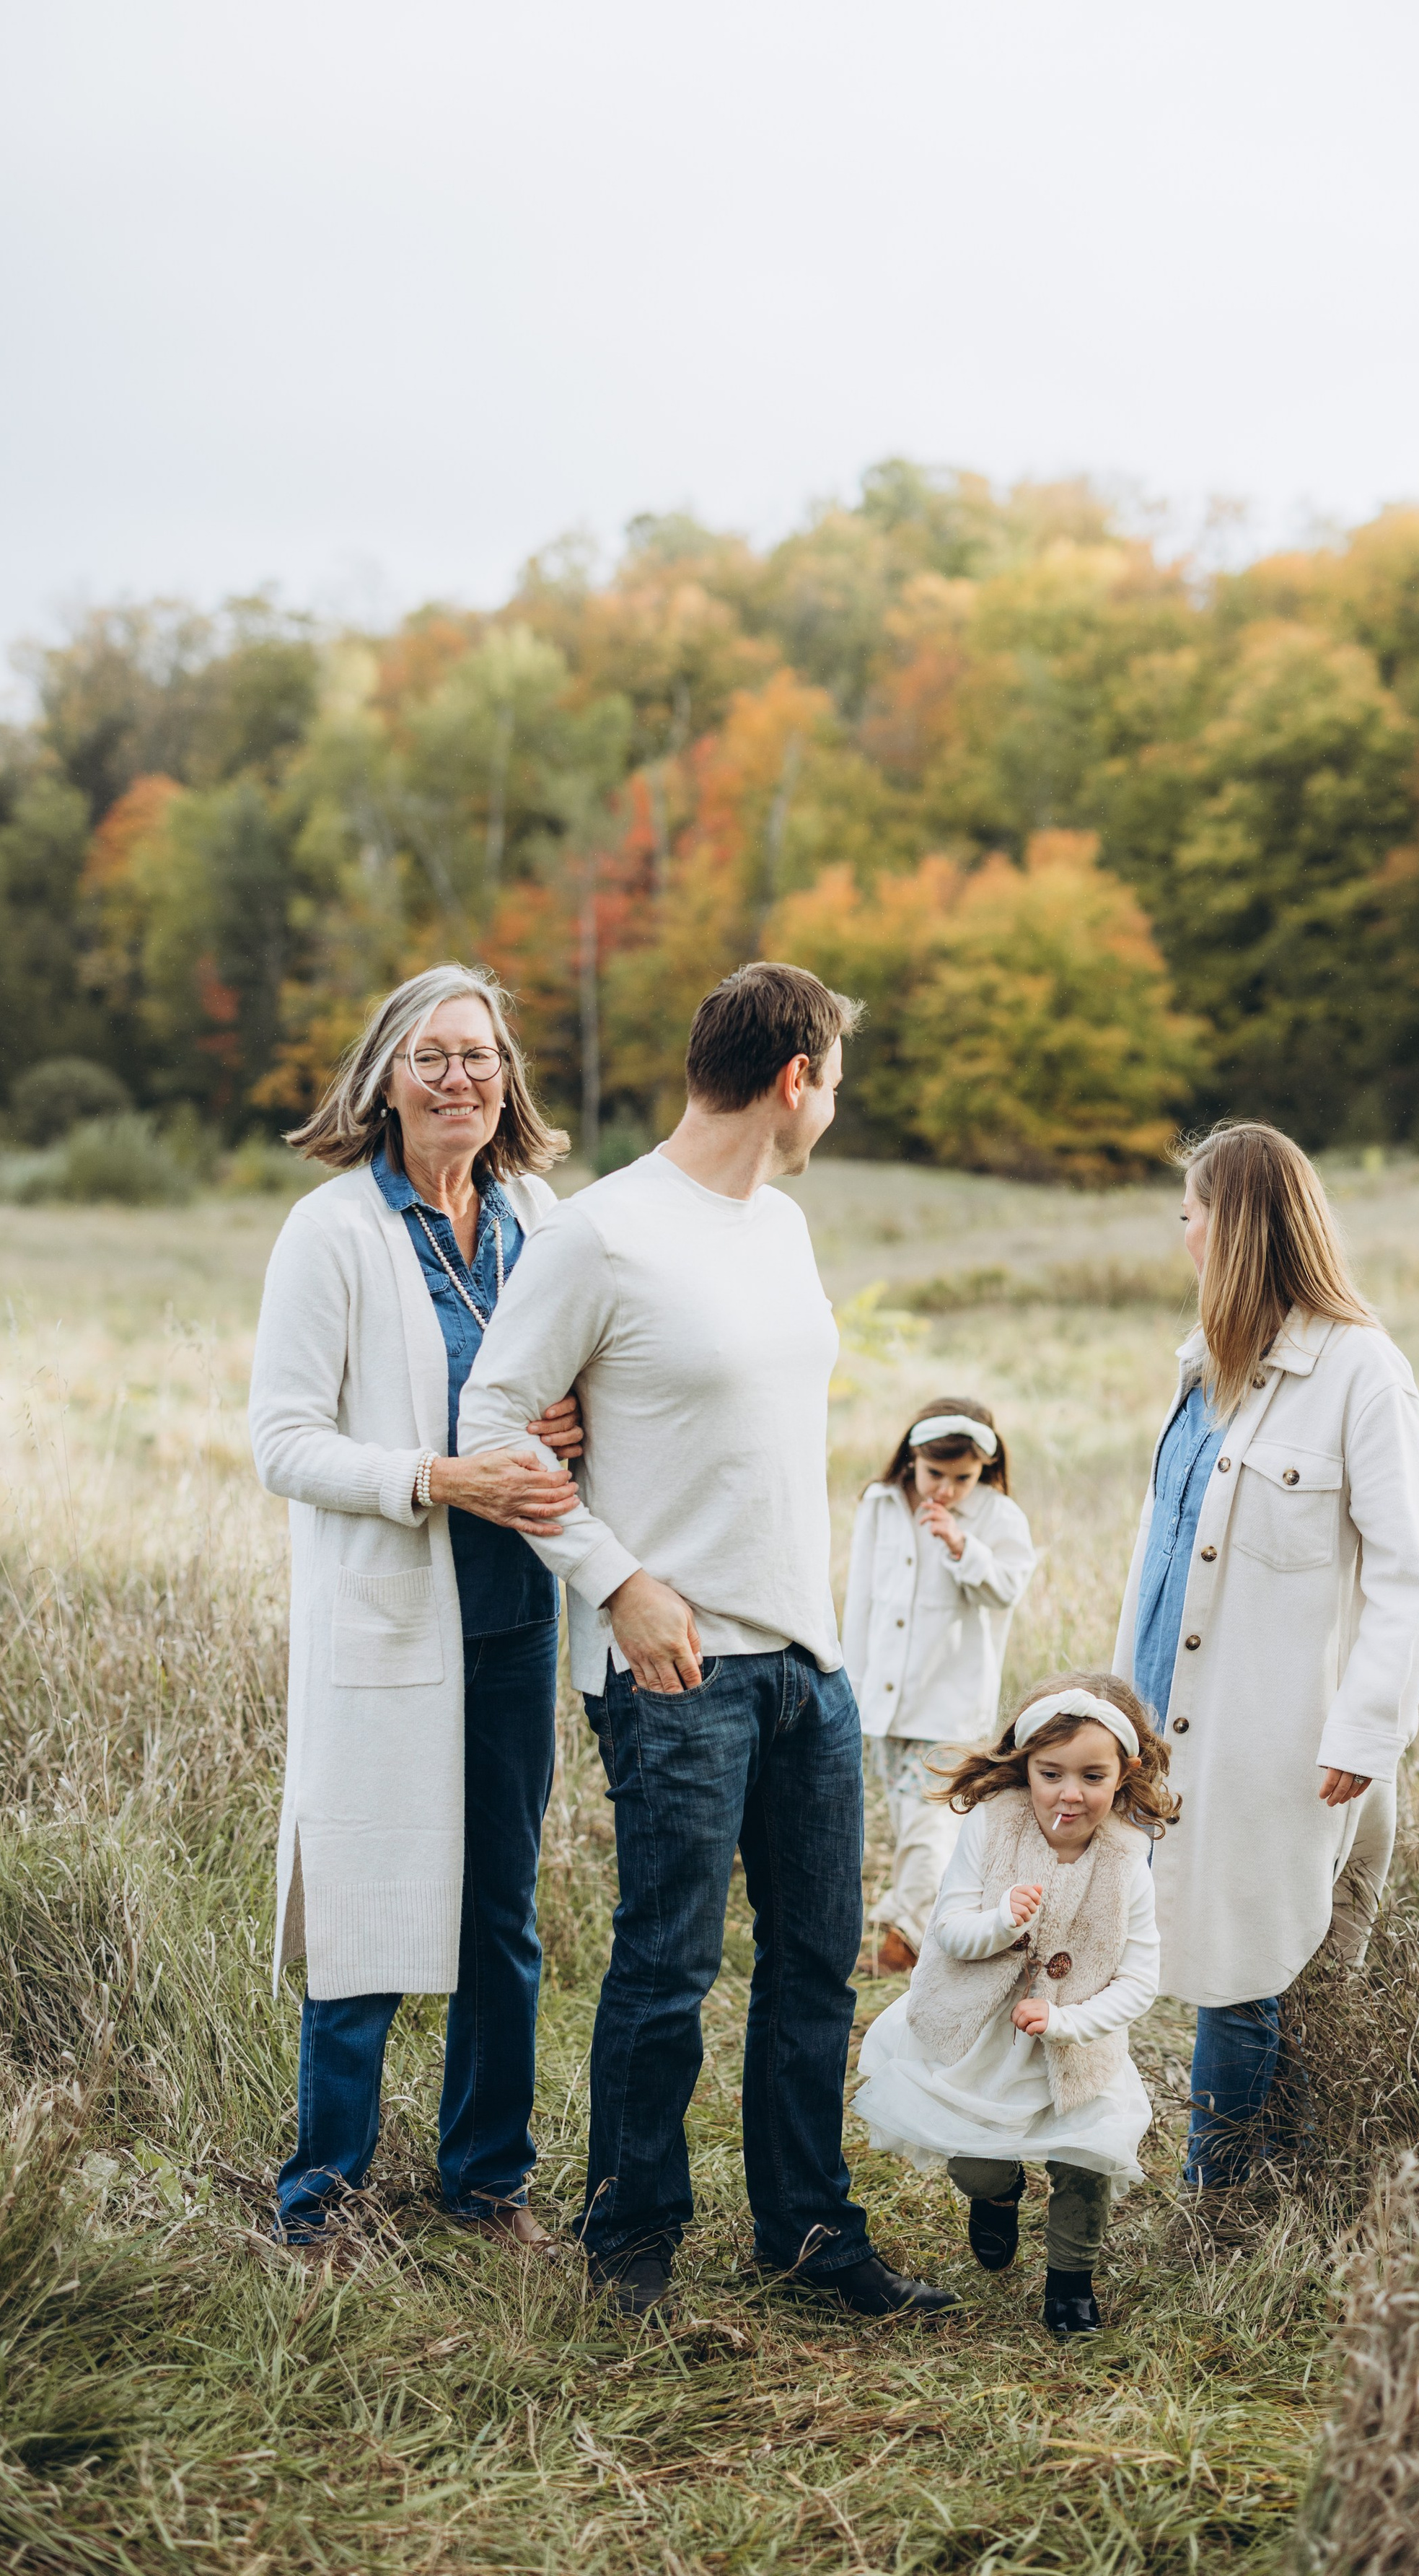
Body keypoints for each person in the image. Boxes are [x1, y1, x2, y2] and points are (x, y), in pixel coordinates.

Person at [456, 960, 955, 2320]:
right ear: (796, 1078)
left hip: (810, 1661)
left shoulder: (781, 1230)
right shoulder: (604, 1235)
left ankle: (807, 2235)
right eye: (834, 1083)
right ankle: (630, 2247)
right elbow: (489, 1423)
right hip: (673, 1668)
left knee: (811, 1962)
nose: (832, 1108)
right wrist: (616, 1581)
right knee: (667, 1969)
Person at [250, 964, 587, 2250]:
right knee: (368, 1900)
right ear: (386, 1079)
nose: (460, 1078)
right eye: (433, 1056)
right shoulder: (332, 1230)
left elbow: (576, 1382)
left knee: (501, 1908)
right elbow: (283, 1441)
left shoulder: (538, 1219)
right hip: (391, 1614)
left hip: (516, 1616)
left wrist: (573, 1421)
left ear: (509, 1079)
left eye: (481, 1055)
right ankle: (321, 2198)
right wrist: (433, 1478)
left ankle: (486, 2186)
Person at [1110, 1118, 1419, 2189]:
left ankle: (1227, 2201)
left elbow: (1403, 1571)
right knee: (1185, 1944)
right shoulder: (1203, 1371)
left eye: (1192, 1213)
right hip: (1168, 1719)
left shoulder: (1362, 1374)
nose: (1183, 1234)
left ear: (1238, 1227)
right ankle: (1232, 2180)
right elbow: (1162, 1560)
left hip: (1284, 1732)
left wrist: (1367, 1728)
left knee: (1248, 1962)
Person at [853, 1674, 1170, 2335]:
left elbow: (1140, 1979)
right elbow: (948, 1931)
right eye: (1051, 1774)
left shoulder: (1126, 1860)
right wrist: (1001, 1921)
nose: (1070, 1793)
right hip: (984, 2031)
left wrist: (1067, 2022)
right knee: (974, 2150)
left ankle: (1070, 2284)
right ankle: (995, 2195)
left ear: (1124, 1773)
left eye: (1092, 1775)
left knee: (1086, 2156)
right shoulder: (992, 1829)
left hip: (1076, 2039)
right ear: (1025, 1766)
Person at [843, 1397, 1036, 1977]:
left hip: (946, 1701)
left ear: (984, 1469)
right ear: (911, 1458)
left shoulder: (998, 1517)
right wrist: (849, 1680)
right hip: (883, 1694)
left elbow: (1007, 1588)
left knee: (931, 1816)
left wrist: (959, 1545)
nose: (947, 1489)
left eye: (963, 1478)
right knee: (903, 1810)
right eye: (935, 1474)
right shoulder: (881, 1504)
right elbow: (862, 1599)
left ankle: (910, 1933)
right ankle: (917, 1904)